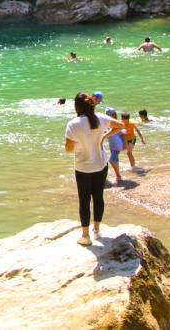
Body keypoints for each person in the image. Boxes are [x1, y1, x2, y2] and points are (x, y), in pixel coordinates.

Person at [64, 93, 122, 245]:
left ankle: (85, 236)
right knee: (98, 197)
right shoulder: (101, 118)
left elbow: (69, 149)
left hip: (83, 167)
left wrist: (80, 145)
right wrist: (104, 136)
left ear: (76, 106)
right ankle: (97, 230)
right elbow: (120, 125)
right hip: (101, 165)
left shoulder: (73, 124)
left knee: (84, 200)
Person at [105, 107, 125, 184]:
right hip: (113, 145)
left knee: (112, 160)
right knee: (115, 160)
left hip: (117, 145)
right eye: (111, 114)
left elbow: (123, 134)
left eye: (113, 114)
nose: (113, 115)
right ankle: (118, 176)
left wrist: (125, 145)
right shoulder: (109, 123)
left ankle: (118, 176)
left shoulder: (116, 123)